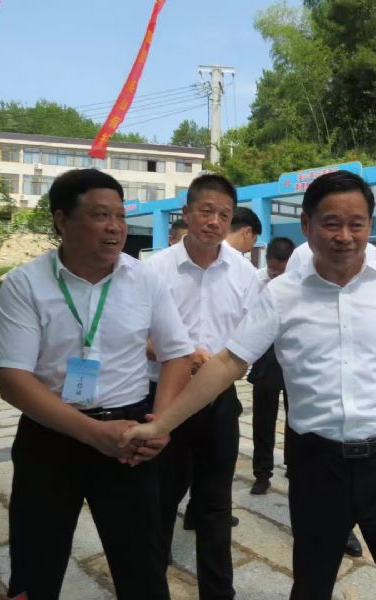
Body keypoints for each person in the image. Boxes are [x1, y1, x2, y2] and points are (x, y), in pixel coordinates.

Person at [124, 171, 376, 600]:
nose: (345, 236)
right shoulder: (281, 294)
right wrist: (161, 424)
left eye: (356, 224)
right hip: (317, 465)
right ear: (307, 225)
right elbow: (228, 362)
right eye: (331, 223)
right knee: (312, 580)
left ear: (369, 226)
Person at [0, 168, 194, 600]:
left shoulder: (145, 280)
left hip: (130, 436)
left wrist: (161, 424)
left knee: (142, 565)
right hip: (50, 435)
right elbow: (13, 379)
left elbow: (177, 354)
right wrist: (93, 433)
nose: (115, 227)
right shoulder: (26, 283)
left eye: (120, 216)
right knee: (36, 562)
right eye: (101, 215)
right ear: (62, 220)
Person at [146, 174, 260, 600]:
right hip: (163, 396)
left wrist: (227, 364)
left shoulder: (245, 273)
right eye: (206, 211)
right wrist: (176, 354)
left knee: (215, 504)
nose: (214, 221)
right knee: (159, 501)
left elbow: (251, 335)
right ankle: (150, 585)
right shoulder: (153, 270)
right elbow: (132, 334)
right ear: (188, 213)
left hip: (217, 401)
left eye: (224, 215)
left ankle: (218, 592)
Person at [249, 236, 295, 496]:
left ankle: (293, 463)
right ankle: (262, 473)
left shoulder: (300, 279)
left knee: (296, 414)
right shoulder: (256, 280)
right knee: (263, 418)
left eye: (281, 271)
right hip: (265, 354)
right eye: (272, 270)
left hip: (294, 353)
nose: (276, 275)